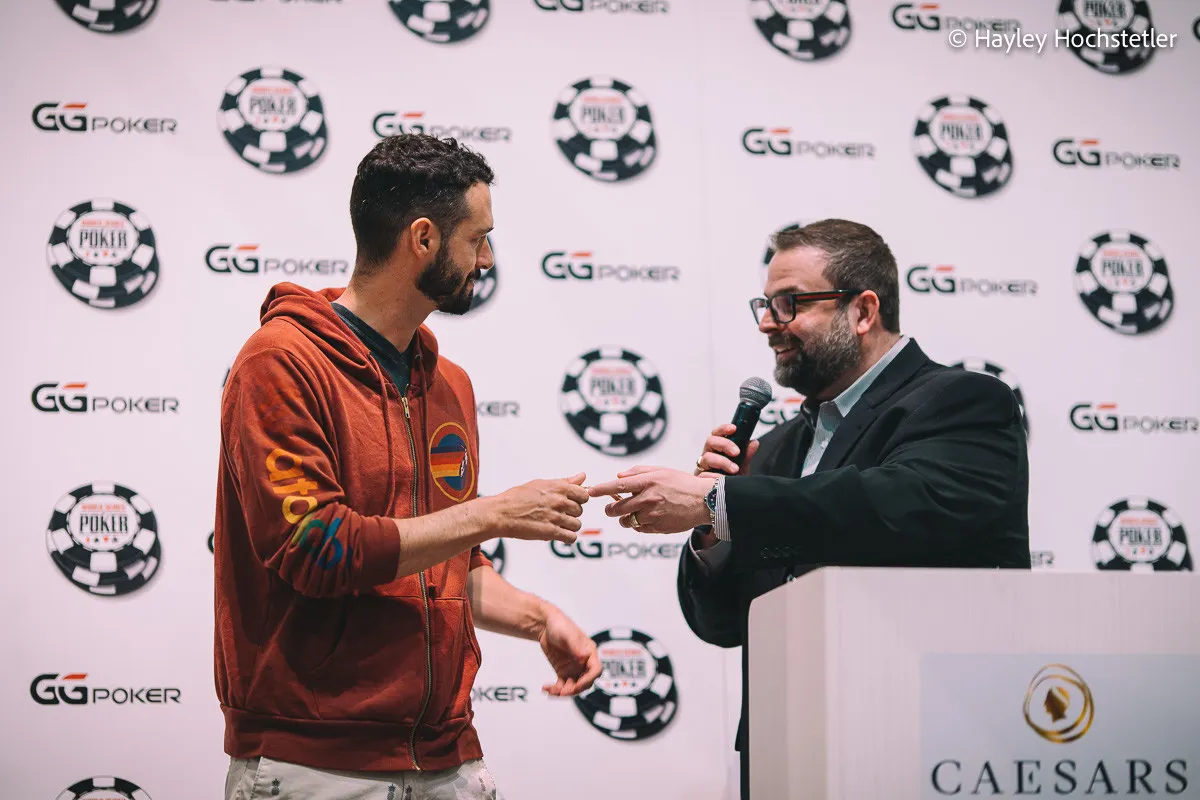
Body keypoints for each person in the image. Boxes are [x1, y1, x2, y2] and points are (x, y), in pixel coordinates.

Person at [214, 133, 601, 800]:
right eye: (478, 238)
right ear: (423, 239)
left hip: (448, 759)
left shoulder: (449, 384)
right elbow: (319, 548)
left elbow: (444, 562)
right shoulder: (279, 362)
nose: (487, 259)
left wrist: (539, 619)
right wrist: (495, 513)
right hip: (315, 767)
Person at [587, 219, 1031, 799]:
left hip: (930, 743)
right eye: (766, 305)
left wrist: (718, 502)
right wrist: (712, 531)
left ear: (862, 311)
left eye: (789, 303)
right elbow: (722, 625)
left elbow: (895, 506)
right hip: (787, 752)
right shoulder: (775, 449)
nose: (768, 324)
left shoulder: (964, 402)